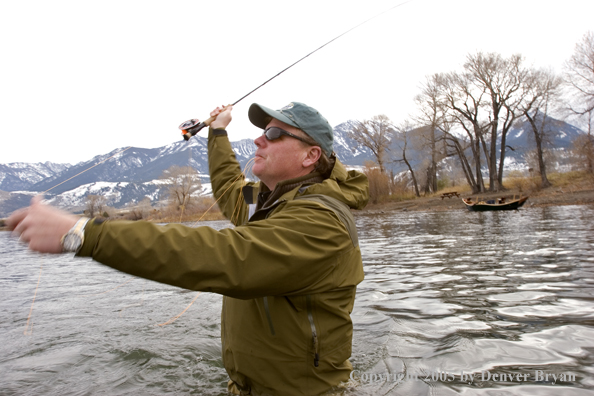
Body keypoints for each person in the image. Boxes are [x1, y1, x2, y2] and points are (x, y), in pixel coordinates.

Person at [8, 102, 369, 395]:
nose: (260, 140)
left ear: (310, 156)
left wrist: (82, 233)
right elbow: (230, 185)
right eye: (262, 132)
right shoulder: (267, 202)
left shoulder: (322, 222)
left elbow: (223, 255)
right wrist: (218, 131)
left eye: (274, 134)